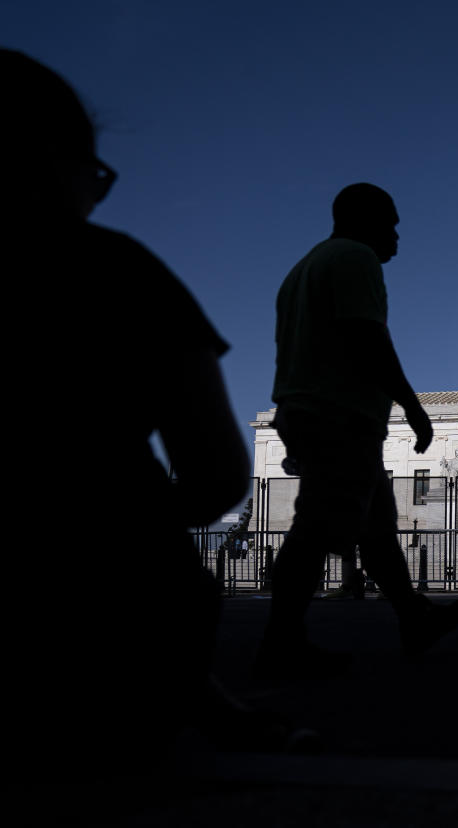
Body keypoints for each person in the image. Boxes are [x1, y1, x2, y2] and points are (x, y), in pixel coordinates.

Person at [1, 50, 277, 770]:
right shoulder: (115, 268)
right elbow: (218, 474)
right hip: (96, 673)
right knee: (131, 589)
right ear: (54, 163)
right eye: (95, 178)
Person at [255, 183, 458, 678]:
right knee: (315, 528)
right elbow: (367, 336)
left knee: (375, 529)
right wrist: (412, 405)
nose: (396, 235)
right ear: (363, 220)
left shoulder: (303, 268)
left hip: (305, 405)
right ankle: (280, 639)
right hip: (338, 412)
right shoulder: (354, 258)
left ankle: (413, 617)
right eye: (390, 222)